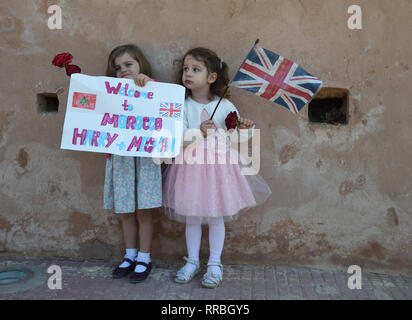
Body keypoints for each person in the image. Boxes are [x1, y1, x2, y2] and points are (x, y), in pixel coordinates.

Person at [162, 47, 271, 288]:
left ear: (212, 77)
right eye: (185, 69)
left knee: (215, 216)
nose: (188, 73)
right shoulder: (181, 105)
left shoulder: (226, 107)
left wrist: (244, 129)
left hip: (219, 170)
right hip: (189, 169)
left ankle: (214, 262)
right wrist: (198, 132)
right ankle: (191, 261)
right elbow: (177, 137)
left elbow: (234, 141)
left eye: (195, 69)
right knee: (191, 216)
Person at [104, 44, 160, 283]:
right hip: (121, 158)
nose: (123, 70)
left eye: (128, 64)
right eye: (118, 68)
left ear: (140, 64)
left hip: (146, 158)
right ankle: (129, 256)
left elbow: (164, 104)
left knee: (144, 210)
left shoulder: (152, 86)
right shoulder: (110, 92)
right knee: (126, 210)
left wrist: (149, 83)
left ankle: (144, 258)